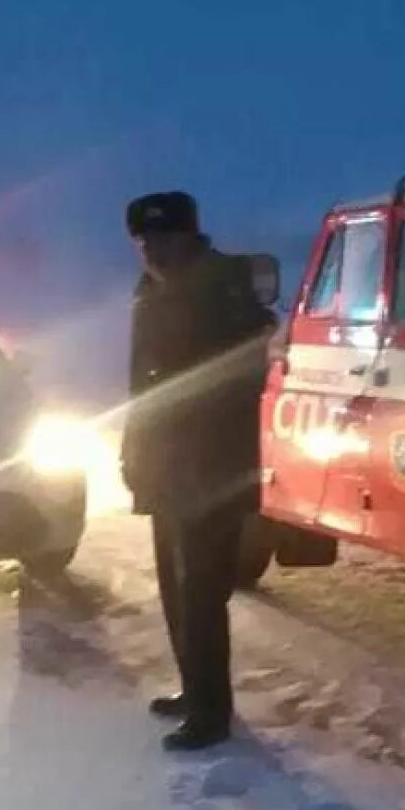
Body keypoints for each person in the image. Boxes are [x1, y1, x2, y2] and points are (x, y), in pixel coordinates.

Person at [122, 191, 276, 750]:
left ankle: (211, 714)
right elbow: (142, 386)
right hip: (165, 464)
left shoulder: (225, 291)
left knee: (202, 592)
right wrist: (132, 450)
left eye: (162, 238)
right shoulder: (151, 292)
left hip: (212, 465)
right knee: (174, 586)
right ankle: (195, 689)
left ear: (190, 235)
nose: (151, 250)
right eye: (143, 241)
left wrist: (194, 436)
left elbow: (245, 375)